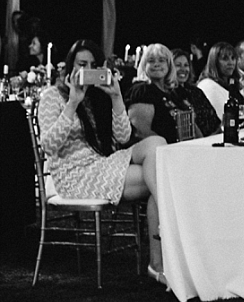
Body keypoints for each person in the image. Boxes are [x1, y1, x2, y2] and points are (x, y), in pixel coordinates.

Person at [37, 39, 169, 284]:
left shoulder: (97, 96)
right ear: (69, 66)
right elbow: (49, 145)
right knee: (159, 179)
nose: (87, 70)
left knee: (156, 144)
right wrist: (72, 103)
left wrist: (117, 97)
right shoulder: (52, 97)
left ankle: (159, 259)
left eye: (93, 65)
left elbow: (123, 137)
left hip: (101, 163)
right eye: (81, 64)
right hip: (73, 175)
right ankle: (165, 247)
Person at [127, 43, 194, 144]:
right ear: (144, 66)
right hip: (160, 153)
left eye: (161, 60)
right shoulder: (142, 91)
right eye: (151, 61)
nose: (156, 64)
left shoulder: (173, 92)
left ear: (169, 65)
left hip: (185, 148)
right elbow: (141, 132)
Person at [171, 48, 220, 137]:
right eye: (178, 65)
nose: (183, 69)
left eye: (186, 65)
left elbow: (215, 120)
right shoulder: (171, 95)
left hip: (215, 138)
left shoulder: (196, 92)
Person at [196, 42, 244, 114]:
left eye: (233, 58)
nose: (231, 62)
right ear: (215, 62)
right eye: (225, 58)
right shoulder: (208, 85)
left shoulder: (233, 85)